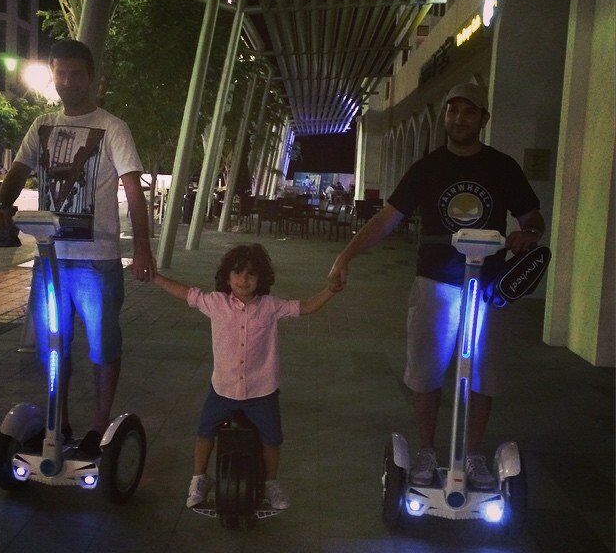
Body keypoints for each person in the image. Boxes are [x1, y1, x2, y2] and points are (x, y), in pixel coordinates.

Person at [328, 83, 545, 490]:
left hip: (487, 286)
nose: (459, 118)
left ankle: (474, 454)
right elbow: (387, 219)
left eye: (468, 112)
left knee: (482, 374)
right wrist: (346, 254)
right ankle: (426, 450)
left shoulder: (502, 167)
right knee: (425, 371)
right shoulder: (427, 168)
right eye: (452, 110)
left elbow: (532, 216)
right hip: (435, 283)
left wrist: (527, 234)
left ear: (483, 119)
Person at [0, 39, 156, 457]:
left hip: (97, 262)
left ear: (91, 77)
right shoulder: (42, 124)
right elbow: (19, 170)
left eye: (76, 74)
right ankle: (57, 423)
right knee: (53, 345)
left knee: (102, 346)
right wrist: (2, 205)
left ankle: (99, 428)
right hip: (50, 260)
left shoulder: (113, 127)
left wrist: (143, 248)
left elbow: (133, 190)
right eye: (60, 74)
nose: (67, 82)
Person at [151, 243, 342, 510]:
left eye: (251, 273)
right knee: (204, 432)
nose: (243, 279)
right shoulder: (216, 303)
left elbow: (306, 307)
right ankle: (199, 477)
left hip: (262, 392)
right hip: (223, 389)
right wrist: (155, 277)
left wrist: (330, 291)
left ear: (261, 278)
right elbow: (186, 294)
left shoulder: (270, 306)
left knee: (272, 439)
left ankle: (271, 482)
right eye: (237, 272)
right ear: (227, 277)